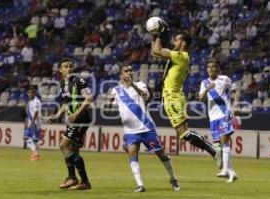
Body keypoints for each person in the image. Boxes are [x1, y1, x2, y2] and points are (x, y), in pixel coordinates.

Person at [150, 21, 222, 168]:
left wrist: (158, 34)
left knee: (183, 133)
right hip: (173, 96)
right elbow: (154, 51)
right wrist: (154, 35)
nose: (173, 42)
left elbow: (157, 51)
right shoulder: (179, 57)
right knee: (183, 132)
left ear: (183, 43)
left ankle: (214, 151)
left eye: (176, 40)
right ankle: (214, 150)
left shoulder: (181, 56)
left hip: (173, 97)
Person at [108, 64, 180, 192]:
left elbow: (146, 97)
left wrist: (133, 85)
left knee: (161, 154)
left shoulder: (141, 84)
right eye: (126, 71)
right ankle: (140, 185)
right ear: (120, 75)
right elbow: (111, 109)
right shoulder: (116, 90)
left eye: (130, 70)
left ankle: (173, 178)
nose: (129, 73)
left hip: (146, 127)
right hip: (130, 131)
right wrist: (109, 101)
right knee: (132, 152)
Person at [47, 58, 93, 190]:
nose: (69, 69)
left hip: (81, 118)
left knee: (63, 144)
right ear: (60, 70)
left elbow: (89, 99)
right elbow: (66, 103)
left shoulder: (79, 80)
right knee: (74, 150)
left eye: (70, 66)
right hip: (74, 118)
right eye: (66, 67)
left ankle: (72, 177)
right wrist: (57, 115)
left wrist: (76, 113)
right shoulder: (62, 83)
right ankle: (85, 182)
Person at [199, 57, 239, 183]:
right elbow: (200, 98)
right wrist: (207, 88)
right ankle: (232, 173)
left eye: (214, 66)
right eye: (209, 67)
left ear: (217, 68)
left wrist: (236, 104)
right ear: (207, 69)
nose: (211, 69)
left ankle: (225, 169)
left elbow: (236, 91)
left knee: (224, 141)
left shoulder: (225, 79)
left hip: (224, 114)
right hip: (213, 117)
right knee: (219, 146)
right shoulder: (204, 82)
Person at [24, 86, 42, 161]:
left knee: (34, 140)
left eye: (32, 92)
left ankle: (36, 155)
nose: (30, 94)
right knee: (27, 137)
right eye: (29, 92)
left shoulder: (36, 101)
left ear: (34, 93)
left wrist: (31, 122)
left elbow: (36, 112)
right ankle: (35, 153)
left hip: (35, 123)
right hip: (31, 122)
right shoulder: (30, 101)